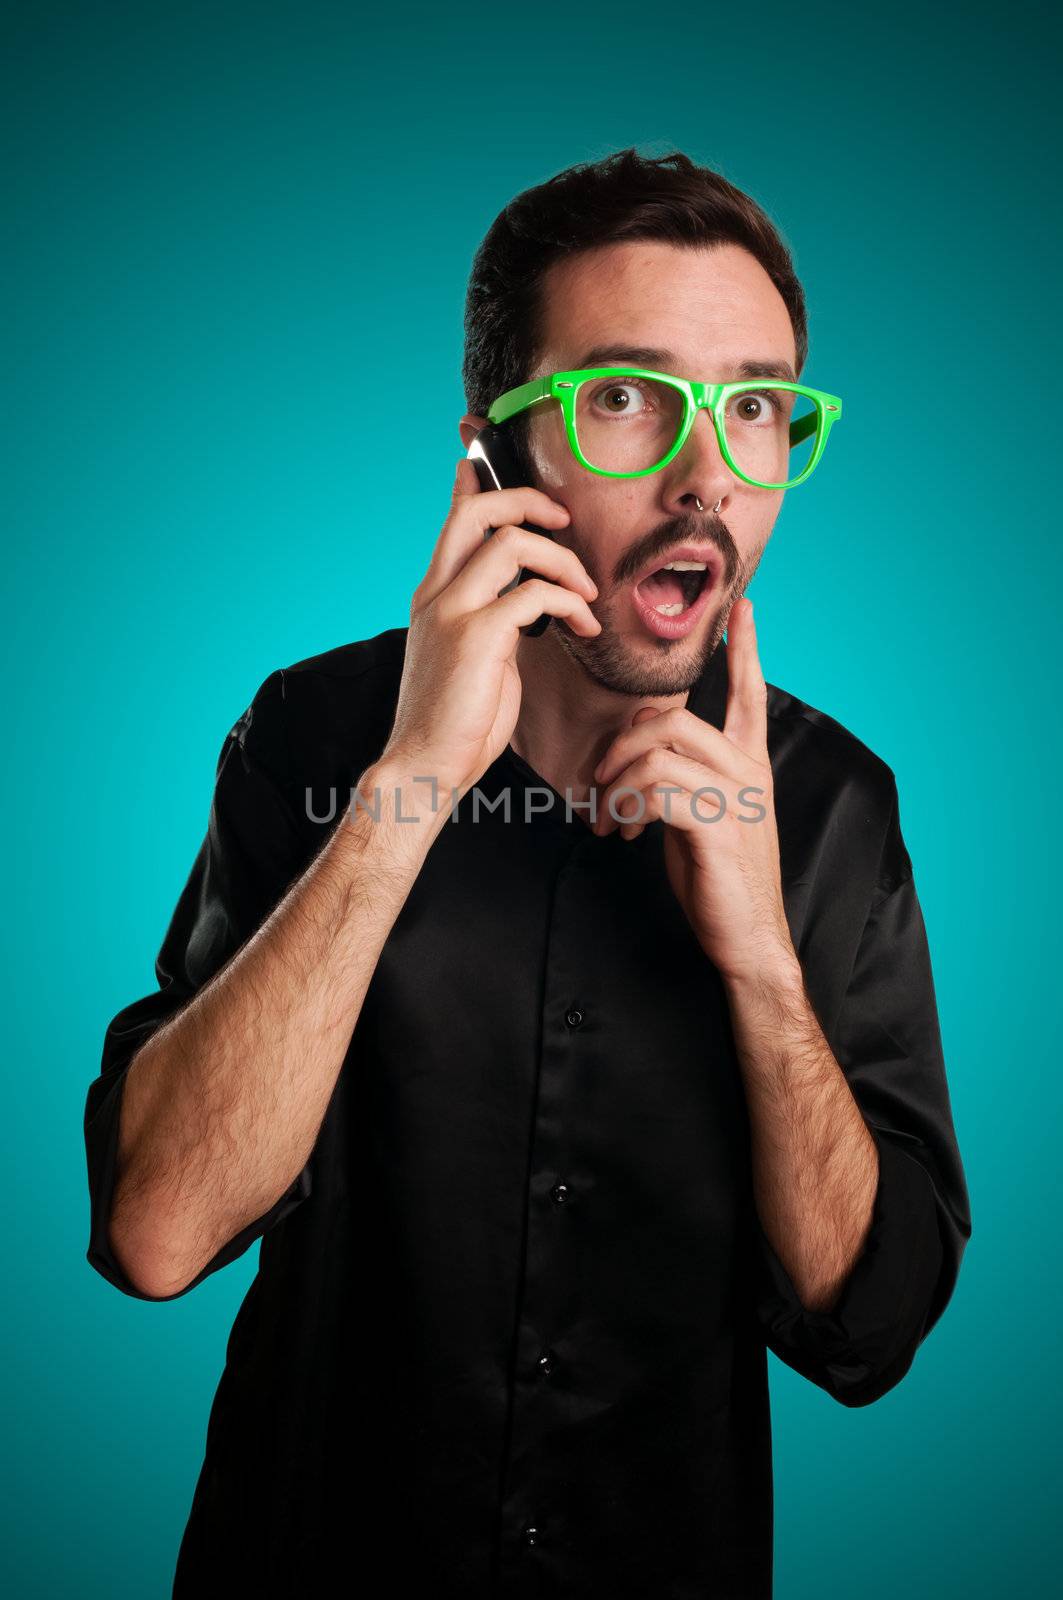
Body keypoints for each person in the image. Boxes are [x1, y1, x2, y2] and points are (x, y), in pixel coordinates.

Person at [83, 147, 971, 1599]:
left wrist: (759, 962)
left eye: (755, 407)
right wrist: (406, 792)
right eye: (626, 397)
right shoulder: (310, 732)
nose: (706, 477)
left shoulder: (834, 809)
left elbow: (865, 1331)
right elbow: (157, 1233)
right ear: (494, 461)